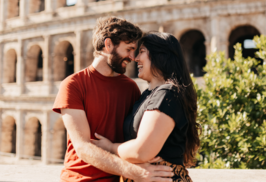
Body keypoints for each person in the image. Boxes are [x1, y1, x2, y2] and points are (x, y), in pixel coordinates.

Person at [53, 17, 174, 182]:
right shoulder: (73, 84)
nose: (133, 57)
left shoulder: (130, 88)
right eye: (129, 49)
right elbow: (83, 147)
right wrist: (135, 172)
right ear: (108, 45)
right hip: (80, 178)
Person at [92, 32, 201, 182]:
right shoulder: (148, 95)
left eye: (142, 52)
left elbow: (142, 151)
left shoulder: (167, 93)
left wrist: (110, 147)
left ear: (160, 56)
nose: (135, 58)